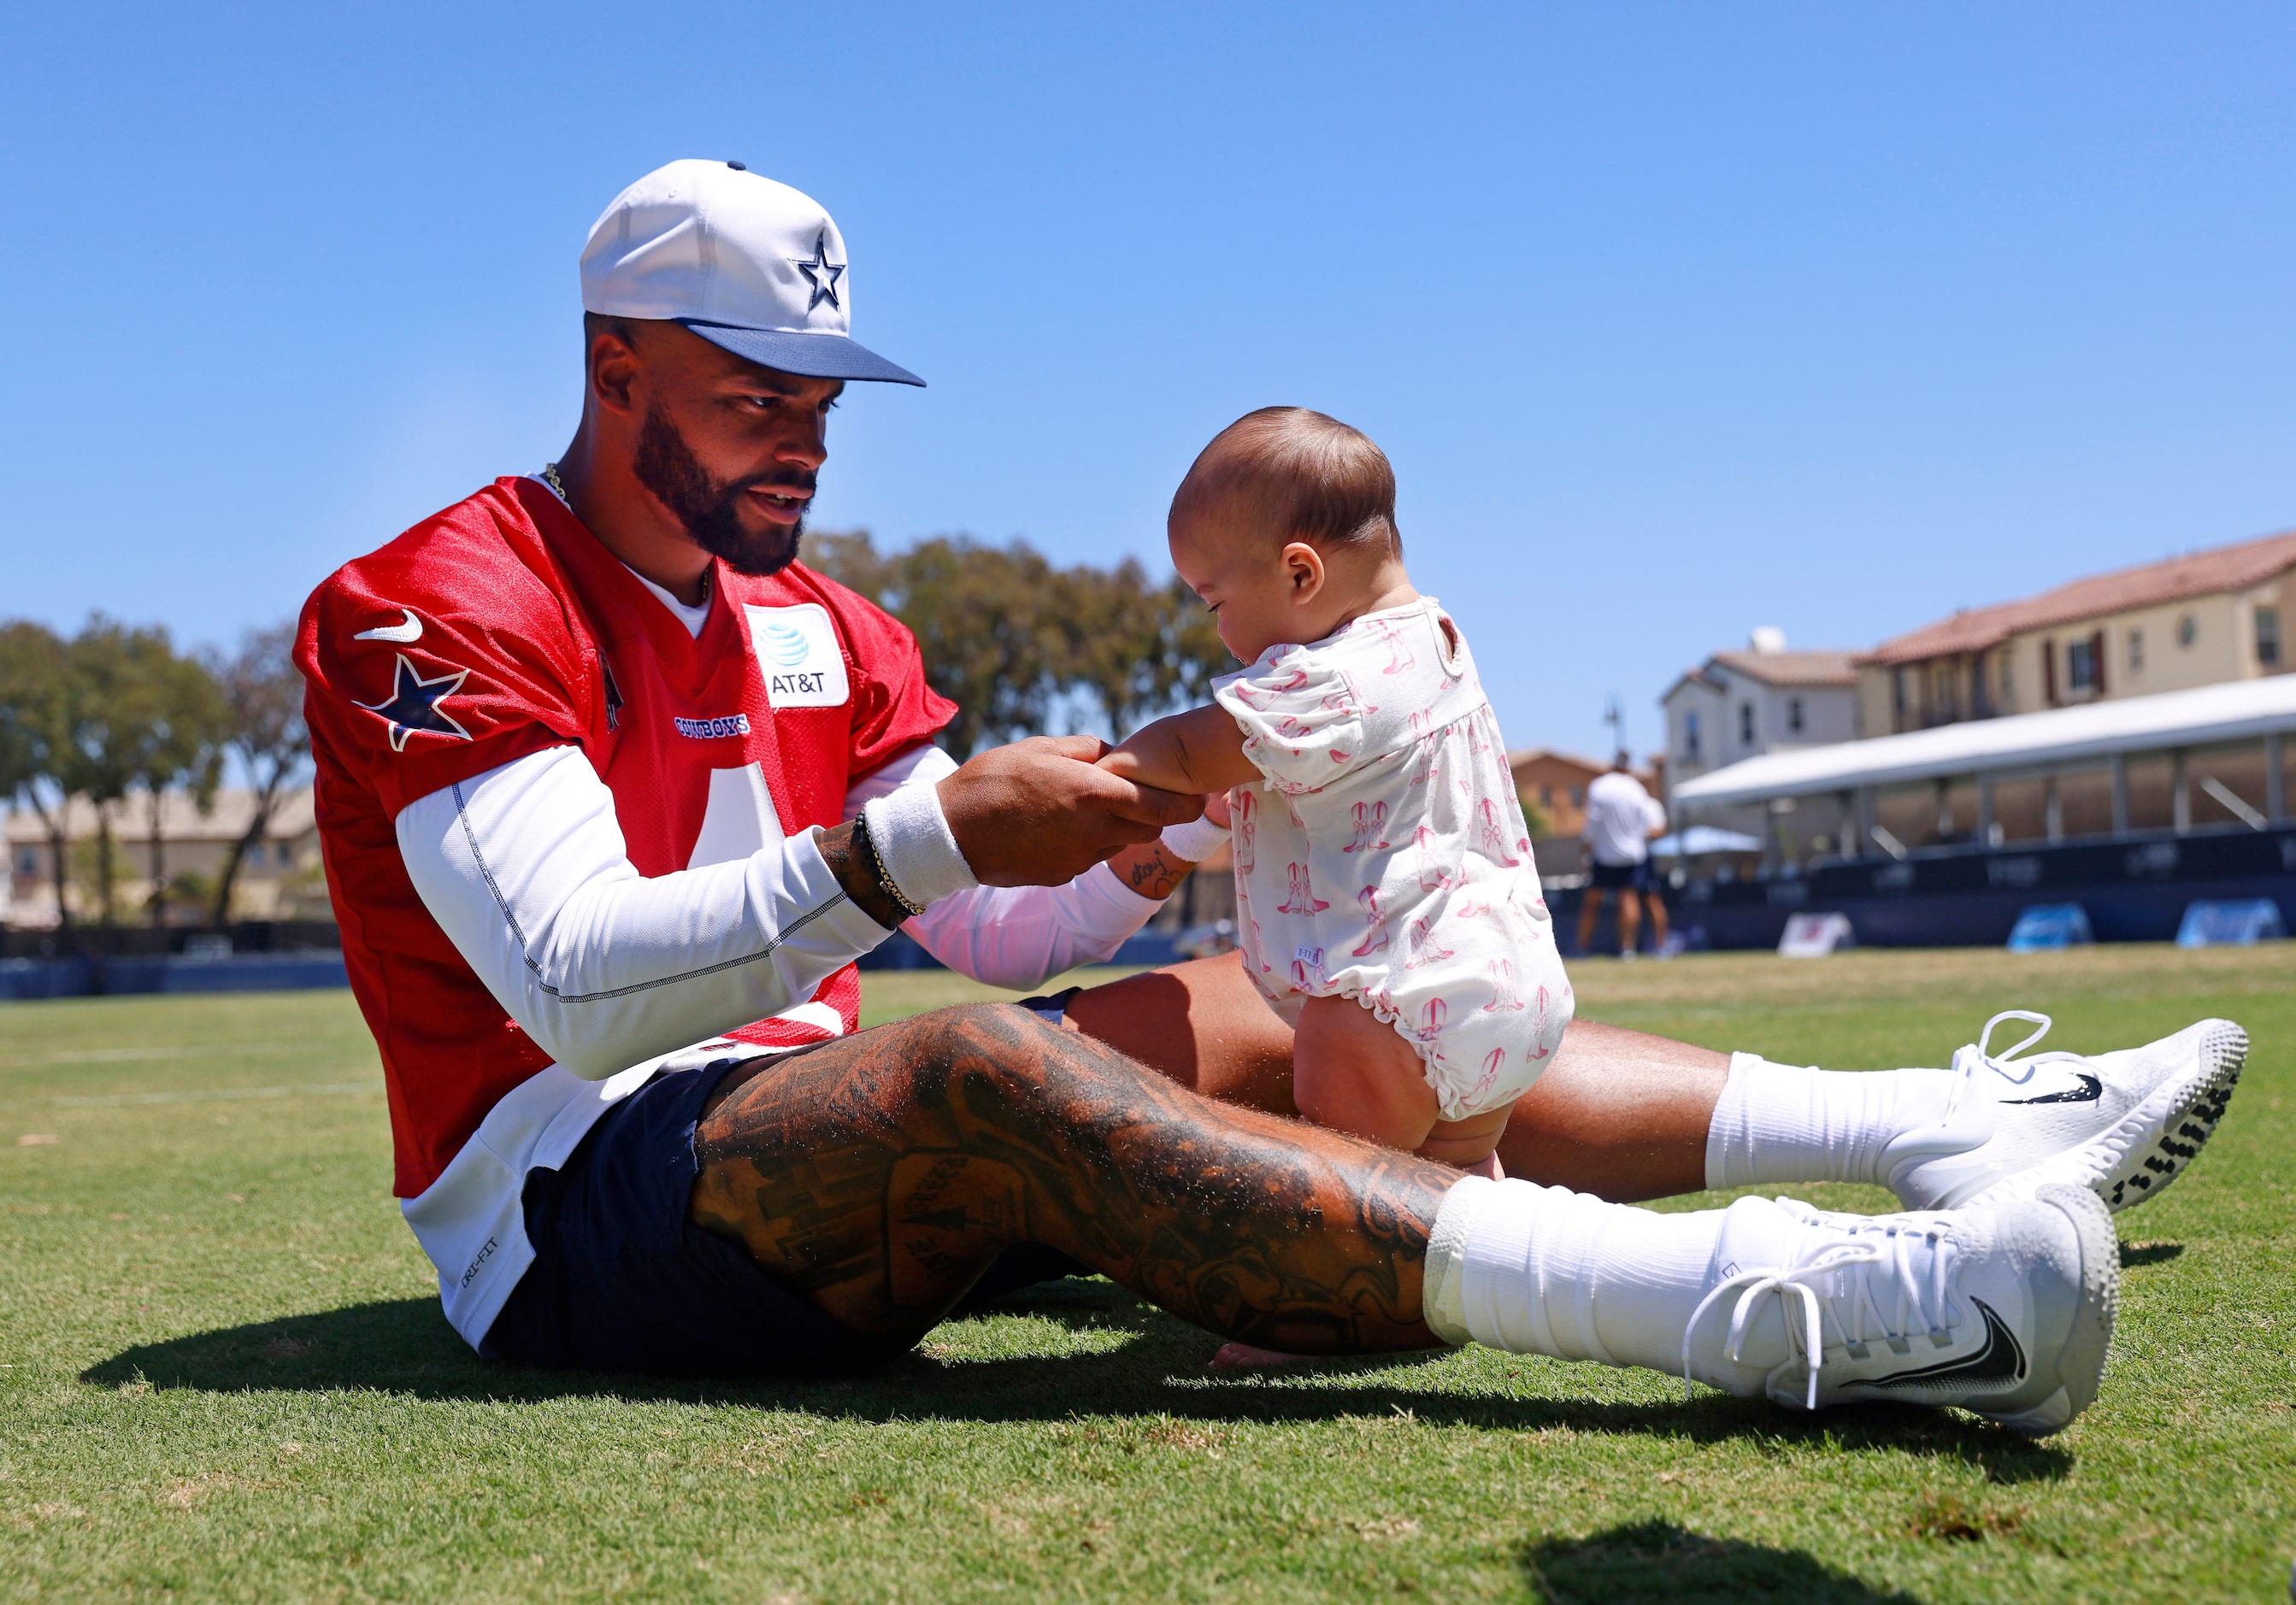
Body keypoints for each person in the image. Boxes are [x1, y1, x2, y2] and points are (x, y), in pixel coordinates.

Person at [296, 160, 2245, 1435]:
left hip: (788, 1135)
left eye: (821, 395)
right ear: (615, 367)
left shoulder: (821, 624)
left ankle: (1962, 1123)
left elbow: (982, 922)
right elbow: (568, 985)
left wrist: (1120, 850)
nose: (800, 438)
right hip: (570, 1216)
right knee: (989, 1073)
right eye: (754, 390)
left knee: (1335, 991)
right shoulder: (441, 598)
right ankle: (1778, 1301)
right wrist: (921, 837)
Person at [1100, 408, 1568, 1181]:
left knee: (1351, 1197)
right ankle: (1487, 1280)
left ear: (1300, 574)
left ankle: (1335, 1289)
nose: (1216, 631)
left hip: (1392, 1008)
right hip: (1504, 989)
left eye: (1213, 602)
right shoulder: (1434, 640)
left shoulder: (1333, 681)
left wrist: (1102, 772)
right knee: (1458, 1196)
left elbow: (1188, 752)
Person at [1577, 754, 1668, 958]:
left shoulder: (1599, 787)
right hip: (1633, 855)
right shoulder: (1637, 790)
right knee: (1629, 898)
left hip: (1604, 855)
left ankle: (1581, 949)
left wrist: (1584, 850)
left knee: (1592, 902)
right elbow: (1653, 827)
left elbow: (1591, 823)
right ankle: (1628, 949)